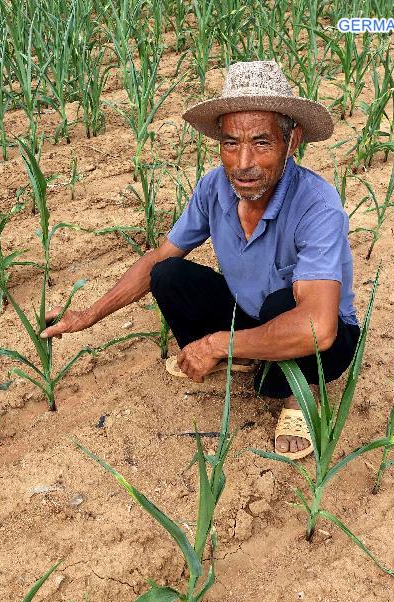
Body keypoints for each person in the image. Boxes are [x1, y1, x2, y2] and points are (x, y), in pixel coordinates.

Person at [40, 60, 358, 460]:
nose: (243, 163)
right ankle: (243, 352)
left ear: (291, 143)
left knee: (286, 304)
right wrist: (87, 315)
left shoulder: (318, 205)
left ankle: (297, 395)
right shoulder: (214, 188)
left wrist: (215, 342)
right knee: (168, 274)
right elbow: (159, 256)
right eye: (230, 143)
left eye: (261, 142)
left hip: (323, 340)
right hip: (251, 312)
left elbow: (318, 328)